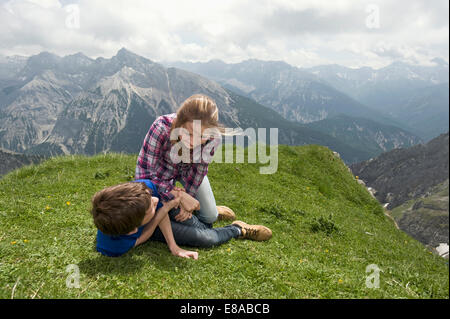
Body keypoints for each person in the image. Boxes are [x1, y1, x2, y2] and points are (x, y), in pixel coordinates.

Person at [91, 180, 272, 258]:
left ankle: (211, 213)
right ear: (133, 229)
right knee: (206, 237)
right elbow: (143, 236)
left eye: (150, 197)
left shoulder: (143, 189)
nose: (155, 199)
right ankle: (238, 229)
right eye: (151, 205)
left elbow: (157, 201)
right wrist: (166, 208)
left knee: (203, 225)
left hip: (159, 214)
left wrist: (173, 244)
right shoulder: (113, 247)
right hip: (153, 223)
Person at [135, 94, 229, 225]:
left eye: (201, 136)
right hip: (159, 175)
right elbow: (143, 176)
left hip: (189, 173)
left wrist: (187, 200)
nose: (194, 141)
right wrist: (177, 195)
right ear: (180, 123)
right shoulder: (161, 127)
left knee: (210, 217)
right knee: (148, 210)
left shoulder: (213, 138)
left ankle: (211, 209)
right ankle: (201, 207)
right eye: (189, 133)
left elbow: (198, 171)